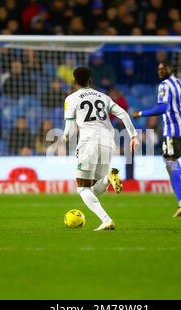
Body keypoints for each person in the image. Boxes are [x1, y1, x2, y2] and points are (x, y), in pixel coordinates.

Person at [63, 66, 139, 231]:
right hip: (108, 142)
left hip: (88, 142)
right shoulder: (104, 97)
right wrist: (133, 136)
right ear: (90, 81)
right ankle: (107, 179)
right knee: (93, 188)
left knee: (82, 188)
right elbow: (124, 114)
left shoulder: (71, 99)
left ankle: (106, 220)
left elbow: (69, 132)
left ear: (74, 82)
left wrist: (63, 139)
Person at [132, 61, 181, 217]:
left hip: (173, 130)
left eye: (163, 68)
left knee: (170, 163)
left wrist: (141, 113)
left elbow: (163, 108)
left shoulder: (165, 85)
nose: (160, 71)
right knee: (170, 162)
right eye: (158, 69)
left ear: (171, 69)